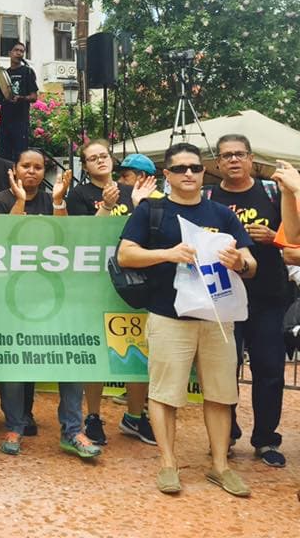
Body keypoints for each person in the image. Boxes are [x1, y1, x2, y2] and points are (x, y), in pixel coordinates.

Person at [117, 142, 256, 496]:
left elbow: (249, 261)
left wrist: (239, 262)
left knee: (221, 394)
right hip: (168, 315)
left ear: (203, 171)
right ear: (167, 175)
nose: (189, 174)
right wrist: (169, 253)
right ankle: (167, 464)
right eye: (180, 169)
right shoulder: (152, 210)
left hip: (217, 318)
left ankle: (220, 466)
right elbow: (126, 255)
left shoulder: (222, 214)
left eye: (194, 167)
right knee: (164, 394)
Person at [0, 150, 100, 460]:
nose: (32, 172)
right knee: (13, 364)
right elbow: (0, 240)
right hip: (11, 298)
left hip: (56, 297)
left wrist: (59, 202)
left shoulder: (55, 200)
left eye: (37, 167)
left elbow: (65, 239)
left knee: (69, 360)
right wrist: (20, 201)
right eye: (25, 166)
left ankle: (73, 431)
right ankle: (14, 427)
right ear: (14, 169)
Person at [66, 139, 157, 447]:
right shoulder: (79, 195)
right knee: (97, 351)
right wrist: (105, 206)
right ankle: (92, 416)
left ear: (112, 160)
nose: (100, 161)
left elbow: (146, 232)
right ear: (85, 165)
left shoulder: (134, 192)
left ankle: (134, 416)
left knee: (135, 348)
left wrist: (140, 204)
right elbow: (81, 239)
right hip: (94, 281)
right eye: (92, 158)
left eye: (104, 156)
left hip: (132, 281)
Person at [207, 134, 290, 468]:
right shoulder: (208, 196)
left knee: (270, 369)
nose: (233, 161)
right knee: (223, 371)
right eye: (226, 156)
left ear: (251, 158)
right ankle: (226, 434)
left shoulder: (272, 191)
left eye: (239, 154)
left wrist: (274, 239)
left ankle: (266, 439)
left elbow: (294, 235)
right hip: (221, 298)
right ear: (218, 163)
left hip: (269, 297)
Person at [0, 42, 38, 162]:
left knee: (20, 157)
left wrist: (21, 98)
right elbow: (0, 100)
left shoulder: (27, 72)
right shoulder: (4, 74)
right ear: (10, 53)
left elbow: (34, 97)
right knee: (4, 157)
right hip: (5, 122)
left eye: (22, 51)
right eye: (16, 50)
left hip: (20, 123)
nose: (19, 53)